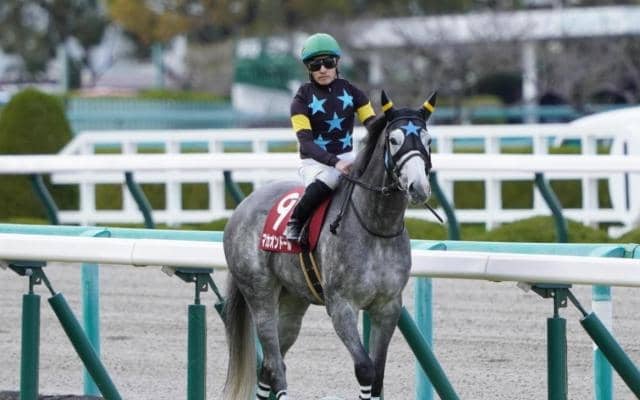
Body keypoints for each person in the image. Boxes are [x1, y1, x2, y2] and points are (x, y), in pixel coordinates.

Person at [285, 32, 377, 243]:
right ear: (308, 68)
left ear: (337, 63)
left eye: (328, 62)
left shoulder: (353, 92)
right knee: (331, 177)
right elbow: (306, 143)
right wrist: (335, 162)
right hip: (315, 163)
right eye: (315, 65)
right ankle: (295, 221)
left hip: (348, 157)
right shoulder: (301, 99)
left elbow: (373, 126)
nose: (323, 69)